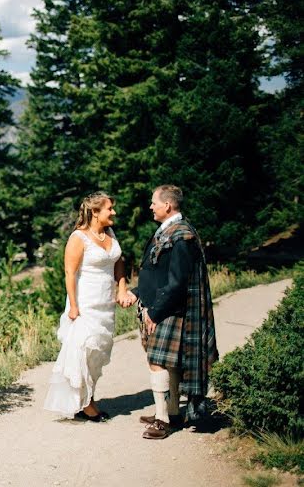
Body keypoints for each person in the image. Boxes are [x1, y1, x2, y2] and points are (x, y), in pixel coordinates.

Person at [119, 185, 218, 440]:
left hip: (169, 307)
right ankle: (171, 412)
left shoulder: (182, 235)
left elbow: (177, 281)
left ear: (168, 206)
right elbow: (157, 272)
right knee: (167, 363)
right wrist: (137, 292)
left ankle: (163, 420)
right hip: (161, 304)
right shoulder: (169, 230)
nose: (151, 206)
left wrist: (156, 312)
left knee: (157, 362)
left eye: (154, 202)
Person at [44, 192, 129, 421]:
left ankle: (87, 396)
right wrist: (73, 306)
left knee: (98, 354)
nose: (113, 212)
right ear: (95, 212)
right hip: (85, 305)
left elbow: (119, 264)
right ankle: (87, 405)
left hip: (106, 306)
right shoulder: (78, 238)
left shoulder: (109, 233)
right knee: (83, 351)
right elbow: (70, 273)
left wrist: (121, 289)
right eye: (109, 208)